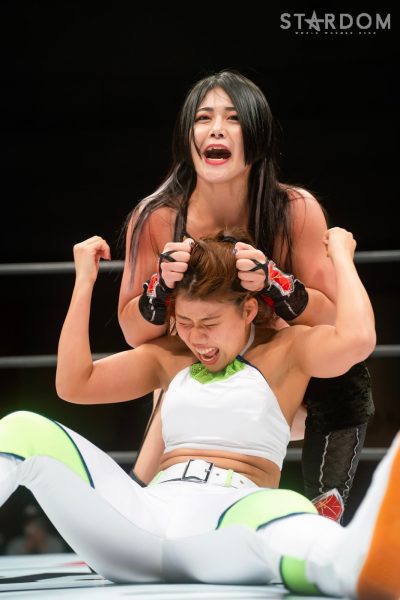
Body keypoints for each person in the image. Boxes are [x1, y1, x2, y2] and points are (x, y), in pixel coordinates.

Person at [1, 227, 394, 599]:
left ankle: (353, 565)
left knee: (288, 512)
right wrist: (84, 281)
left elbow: (358, 340)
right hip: (143, 520)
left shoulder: (287, 350)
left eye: (210, 322)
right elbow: (74, 384)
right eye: (185, 322)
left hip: (231, 521)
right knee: (23, 428)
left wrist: (342, 257)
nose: (197, 337)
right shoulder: (170, 356)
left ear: (248, 310)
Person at [117, 69, 374, 505]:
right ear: (187, 137)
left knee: (347, 372)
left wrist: (277, 284)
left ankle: (325, 514)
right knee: (179, 352)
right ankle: (138, 498)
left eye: (233, 118)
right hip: (197, 372)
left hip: (278, 380)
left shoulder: (294, 210)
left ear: (256, 135)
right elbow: (132, 332)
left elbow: (335, 317)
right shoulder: (157, 217)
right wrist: (160, 288)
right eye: (203, 118)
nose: (216, 128)